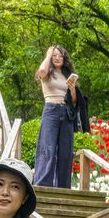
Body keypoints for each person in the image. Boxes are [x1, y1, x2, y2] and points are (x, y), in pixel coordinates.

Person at [34, 45, 79, 188]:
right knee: (48, 148)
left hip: (66, 112)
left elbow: (73, 101)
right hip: (51, 110)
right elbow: (41, 71)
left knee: (66, 151)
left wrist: (72, 89)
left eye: (60, 55)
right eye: (54, 56)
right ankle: (43, 185)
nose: (57, 58)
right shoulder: (47, 73)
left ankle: (63, 187)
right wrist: (48, 54)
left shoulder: (66, 74)